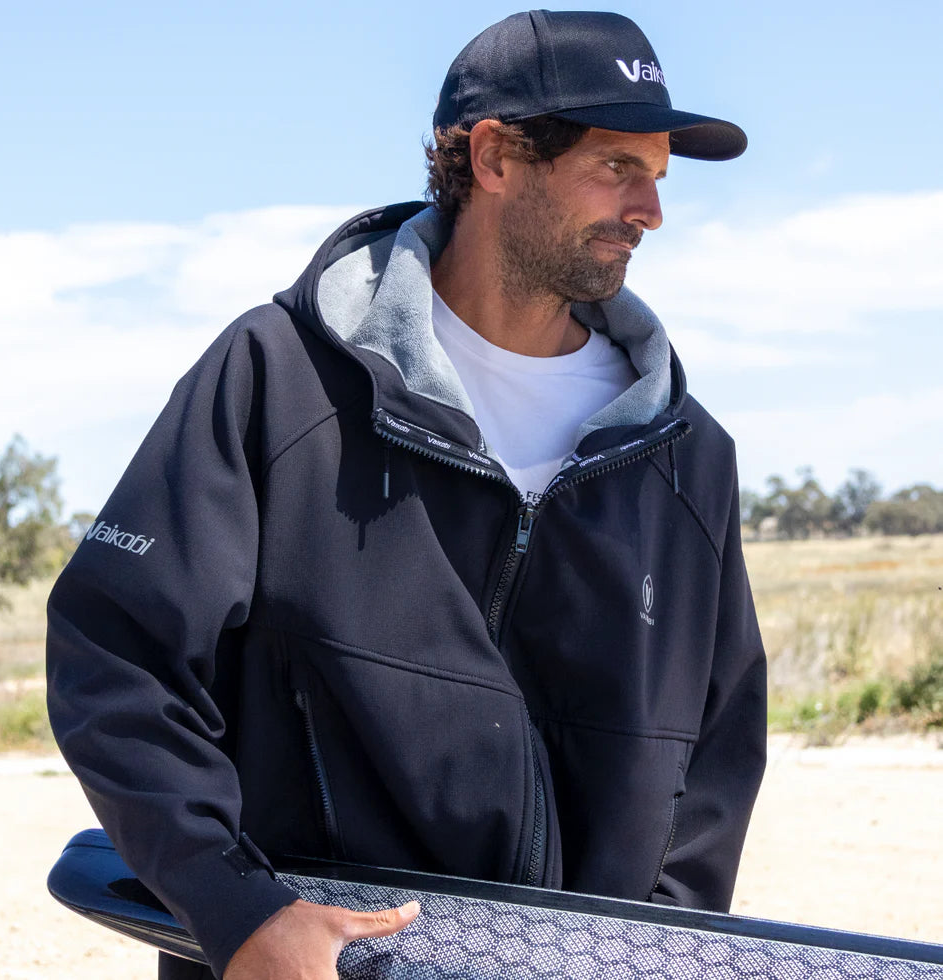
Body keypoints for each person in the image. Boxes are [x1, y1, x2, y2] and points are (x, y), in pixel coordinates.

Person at [47, 10, 767, 980]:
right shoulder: (278, 378)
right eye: (615, 167)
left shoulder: (685, 457)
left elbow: (714, 766)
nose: (649, 209)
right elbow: (117, 654)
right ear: (495, 156)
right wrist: (236, 907)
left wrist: (651, 955)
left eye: (656, 175)